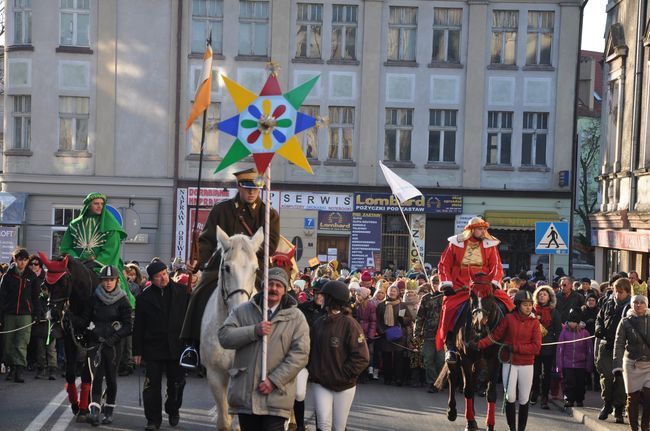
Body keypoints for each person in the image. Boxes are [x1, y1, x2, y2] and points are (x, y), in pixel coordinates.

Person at [181, 168, 280, 368]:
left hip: (254, 265)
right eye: (247, 188)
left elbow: (271, 244)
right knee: (200, 293)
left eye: (256, 188)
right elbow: (207, 240)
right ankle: (191, 345)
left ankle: (281, 345)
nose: (252, 192)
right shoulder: (221, 210)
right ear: (239, 187)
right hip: (223, 264)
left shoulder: (269, 214)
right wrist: (198, 261)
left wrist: (247, 253)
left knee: (284, 297)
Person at [218, 267, 309, 431]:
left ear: (285, 290)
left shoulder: (296, 317)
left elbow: (300, 355)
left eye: (278, 285)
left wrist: (274, 380)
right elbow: (224, 336)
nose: (273, 288)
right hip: (247, 395)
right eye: (270, 284)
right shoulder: (242, 310)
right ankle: (190, 348)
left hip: (276, 397)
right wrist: (253, 331)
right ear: (263, 286)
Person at [437, 217, 512, 363]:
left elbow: (496, 266)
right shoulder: (455, 244)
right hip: (460, 286)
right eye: (479, 228)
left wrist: (494, 283)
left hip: (484, 285)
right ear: (471, 230)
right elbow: (444, 265)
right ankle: (451, 346)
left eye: (484, 228)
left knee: (508, 304)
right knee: (449, 309)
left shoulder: (490, 245)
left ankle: (509, 340)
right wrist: (447, 284)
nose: (483, 231)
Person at [471, 290, 541, 431]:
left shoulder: (535, 323)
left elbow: (536, 347)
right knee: (510, 396)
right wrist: (479, 344)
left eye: (530, 304)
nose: (528, 307)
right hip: (509, 363)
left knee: (523, 398)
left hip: (526, 364)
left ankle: (521, 429)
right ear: (518, 305)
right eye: (525, 304)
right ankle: (512, 429)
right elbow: (495, 336)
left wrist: (515, 347)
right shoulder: (508, 319)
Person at [71, 265, 132, 426]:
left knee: (111, 379)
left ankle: (109, 411)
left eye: (111, 280)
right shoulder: (94, 299)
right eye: (105, 280)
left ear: (117, 281)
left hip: (113, 346)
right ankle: (95, 412)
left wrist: (113, 339)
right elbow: (85, 320)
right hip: (95, 343)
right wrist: (70, 317)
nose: (108, 283)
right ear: (101, 281)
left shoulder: (123, 300)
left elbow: (128, 326)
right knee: (96, 377)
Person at [133, 260, 190, 430]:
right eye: (158, 277)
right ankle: (153, 420)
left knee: (177, 383)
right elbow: (139, 326)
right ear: (151, 279)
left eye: (164, 274)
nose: (163, 278)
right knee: (151, 386)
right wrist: (137, 350)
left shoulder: (182, 292)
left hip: (177, 347)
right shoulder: (144, 297)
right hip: (153, 348)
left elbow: (190, 319)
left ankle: (173, 409)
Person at [308, 280, 369, 431]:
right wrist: (313, 371)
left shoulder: (351, 324)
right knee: (323, 424)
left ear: (332, 299)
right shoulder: (318, 323)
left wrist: (343, 374)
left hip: (344, 385)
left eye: (324, 296)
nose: (320, 299)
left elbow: (362, 357)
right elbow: (308, 350)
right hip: (321, 383)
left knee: (339, 427)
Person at [59, 192, 135, 308]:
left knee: (118, 287)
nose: (100, 206)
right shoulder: (75, 225)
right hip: (77, 267)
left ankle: (126, 312)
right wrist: (76, 260)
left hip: (103, 267)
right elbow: (66, 247)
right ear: (89, 205)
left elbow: (111, 248)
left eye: (102, 203)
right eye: (96, 203)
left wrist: (95, 263)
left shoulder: (111, 225)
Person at [0, 247, 41, 383]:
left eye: (24, 260)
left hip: (26, 315)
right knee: (8, 343)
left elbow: (36, 297)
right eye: (19, 259)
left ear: (27, 260)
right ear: (15, 260)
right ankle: (11, 368)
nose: (22, 262)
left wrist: (37, 314)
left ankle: (19, 371)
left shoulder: (32, 277)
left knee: (22, 343)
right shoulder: (7, 276)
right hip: (9, 314)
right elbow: (1, 297)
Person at [595, 277, 631, 423]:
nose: (617, 295)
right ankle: (607, 404)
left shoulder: (631, 307)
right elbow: (599, 317)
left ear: (627, 292)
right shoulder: (608, 302)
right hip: (606, 345)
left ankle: (619, 408)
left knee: (620, 380)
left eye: (620, 292)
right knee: (606, 377)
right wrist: (598, 328)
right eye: (616, 292)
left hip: (623, 348)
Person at [613, 294, 650, 431]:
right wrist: (617, 365)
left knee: (648, 397)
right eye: (636, 302)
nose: (639, 305)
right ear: (632, 304)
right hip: (631, 364)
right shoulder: (625, 321)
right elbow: (619, 344)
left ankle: (645, 425)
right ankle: (634, 428)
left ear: (646, 304)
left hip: (649, 364)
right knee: (632, 399)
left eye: (642, 302)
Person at [293, 278, 326, 431]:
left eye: (323, 294)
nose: (320, 296)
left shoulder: (331, 312)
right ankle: (300, 425)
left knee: (322, 399)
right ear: (313, 293)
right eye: (317, 293)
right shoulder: (302, 308)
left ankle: (322, 425)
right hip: (303, 358)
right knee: (299, 393)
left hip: (322, 361)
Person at [530, 284, 562, 409]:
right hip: (533, 346)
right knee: (534, 372)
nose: (542, 296)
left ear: (549, 297)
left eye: (545, 294)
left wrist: (556, 345)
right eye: (540, 294)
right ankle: (535, 393)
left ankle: (544, 398)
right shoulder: (531, 310)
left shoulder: (554, 312)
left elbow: (558, 330)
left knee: (547, 374)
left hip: (549, 346)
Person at [556, 308, 593, 408]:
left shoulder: (585, 333)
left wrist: (589, 365)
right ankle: (569, 399)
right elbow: (560, 349)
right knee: (569, 382)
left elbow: (589, 350)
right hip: (567, 363)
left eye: (574, 322)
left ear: (578, 322)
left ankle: (580, 399)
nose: (572, 323)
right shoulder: (564, 332)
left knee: (580, 383)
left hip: (581, 364)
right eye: (570, 321)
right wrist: (559, 365)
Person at [376, 283, 410, 386]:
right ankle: (387, 378)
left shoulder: (402, 305)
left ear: (398, 293)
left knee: (398, 358)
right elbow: (377, 320)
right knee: (386, 357)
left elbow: (409, 319)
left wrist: (403, 319)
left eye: (394, 291)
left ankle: (398, 378)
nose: (392, 293)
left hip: (398, 334)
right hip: (386, 334)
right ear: (387, 292)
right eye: (390, 291)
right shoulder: (381, 305)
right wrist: (381, 331)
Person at [415, 280, 444, 393]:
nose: (435, 285)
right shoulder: (426, 298)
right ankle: (432, 382)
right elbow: (420, 317)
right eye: (434, 283)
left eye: (437, 283)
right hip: (428, 333)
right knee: (428, 359)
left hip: (442, 335)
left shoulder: (445, 297)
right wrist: (417, 332)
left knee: (441, 360)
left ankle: (440, 381)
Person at [352, 285, 376, 384]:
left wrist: (370, 335)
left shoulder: (370, 305)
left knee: (366, 354)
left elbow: (373, 321)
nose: (357, 296)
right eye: (357, 295)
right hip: (356, 332)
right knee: (356, 354)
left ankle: (364, 374)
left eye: (359, 295)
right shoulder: (354, 305)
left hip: (366, 332)